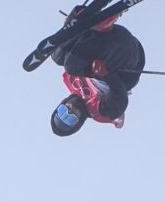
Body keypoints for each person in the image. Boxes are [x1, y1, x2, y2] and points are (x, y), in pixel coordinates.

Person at [48, 8, 146, 136]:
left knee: (57, 57)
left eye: (62, 112)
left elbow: (71, 55)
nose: (69, 110)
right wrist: (106, 75)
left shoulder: (70, 81)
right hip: (127, 58)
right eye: (70, 119)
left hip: (105, 41)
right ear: (79, 122)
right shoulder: (100, 112)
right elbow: (120, 96)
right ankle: (98, 27)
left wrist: (70, 31)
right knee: (71, 66)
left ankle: (80, 21)